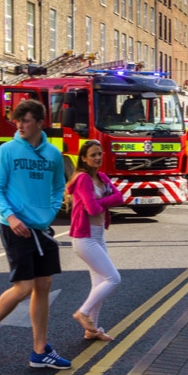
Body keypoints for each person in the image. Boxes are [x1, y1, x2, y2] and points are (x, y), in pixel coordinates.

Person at [0, 99, 70, 369]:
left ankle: (39, 351)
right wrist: (11, 218)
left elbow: (58, 186)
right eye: (18, 120)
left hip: (42, 227)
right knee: (24, 287)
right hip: (15, 227)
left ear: (40, 123)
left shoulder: (53, 154)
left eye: (26, 120)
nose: (20, 125)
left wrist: (49, 212)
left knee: (43, 285)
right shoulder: (7, 151)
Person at [67, 140, 123, 343]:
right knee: (113, 278)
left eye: (99, 154)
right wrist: (106, 201)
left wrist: (102, 202)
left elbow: (121, 197)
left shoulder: (101, 177)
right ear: (83, 158)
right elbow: (92, 209)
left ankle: (91, 329)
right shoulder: (82, 179)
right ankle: (83, 313)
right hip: (84, 237)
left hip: (98, 234)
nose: (98, 158)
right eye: (93, 155)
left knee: (99, 282)